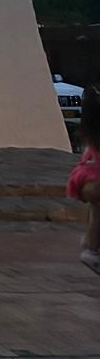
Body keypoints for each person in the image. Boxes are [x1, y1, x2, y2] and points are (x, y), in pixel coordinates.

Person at [67, 85, 100, 274]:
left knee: (97, 209)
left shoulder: (91, 130)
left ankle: (91, 241)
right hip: (94, 178)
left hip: (83, 176)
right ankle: (92, 247)